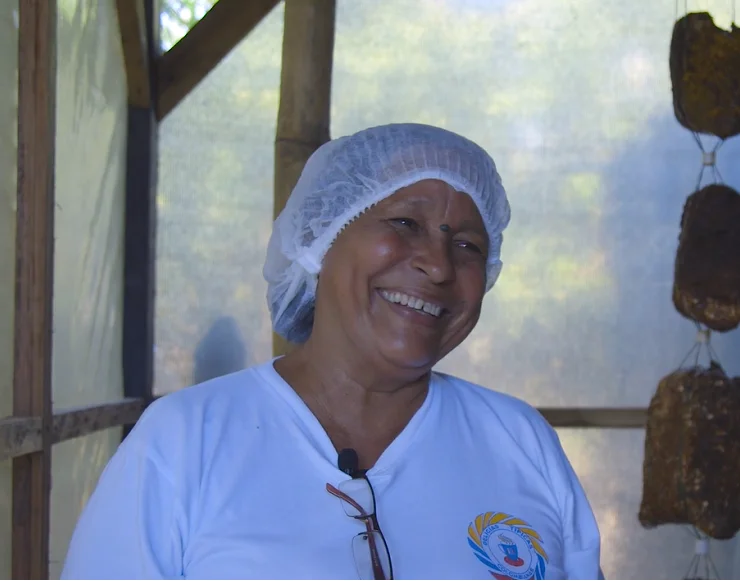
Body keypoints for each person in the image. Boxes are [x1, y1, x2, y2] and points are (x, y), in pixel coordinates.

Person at [61, 123, 602, 580]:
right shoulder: (185, 442)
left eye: (468, 245)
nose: (438, 266)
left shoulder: (520, 442)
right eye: (405, 223)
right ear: (320, 238)